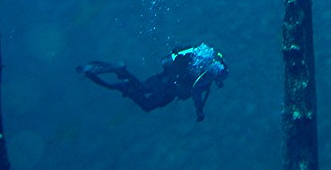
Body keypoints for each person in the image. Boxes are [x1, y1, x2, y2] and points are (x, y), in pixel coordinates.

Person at [77, 43, 228, 122]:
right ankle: (124, 85)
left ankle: (121, 70)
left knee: (142, 87)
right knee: (147, 105)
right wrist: (199, 111)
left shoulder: (201, 67)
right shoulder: (205, 77)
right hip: (169, 89)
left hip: (165, 77)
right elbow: (195, 92)